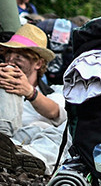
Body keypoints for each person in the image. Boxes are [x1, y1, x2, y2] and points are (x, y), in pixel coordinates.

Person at [0, 23, 64, 175]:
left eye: (19, 56)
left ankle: (27, 156)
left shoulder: (54, 92)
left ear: (38, 63)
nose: (9, 60)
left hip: (24, 146)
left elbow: (55, 112)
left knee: (45, 127)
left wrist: (29, 92)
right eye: (8, 54)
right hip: (4, 135)